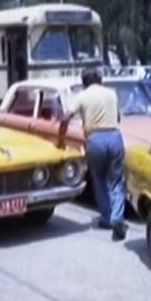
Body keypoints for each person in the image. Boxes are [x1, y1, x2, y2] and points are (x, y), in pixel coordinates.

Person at [59, 68, 128, 241]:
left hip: (95, 139)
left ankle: (107, 217)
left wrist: (61, 138)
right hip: (114, 136)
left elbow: (66, 117)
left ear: (84, 82)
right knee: (117, 181)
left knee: (99, 180)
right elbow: (118, 117)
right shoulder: (111, 94)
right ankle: (117, 218)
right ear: (100, 79)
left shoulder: (82, 96)